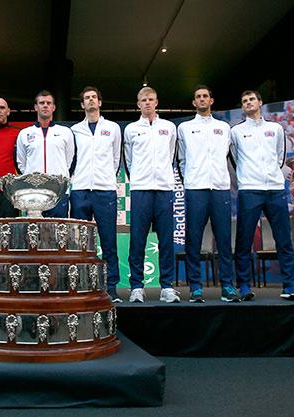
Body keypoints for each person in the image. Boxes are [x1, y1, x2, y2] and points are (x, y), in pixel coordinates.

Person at [231, 90, 294, 301]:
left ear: (260, 102)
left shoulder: (275, 128)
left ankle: (290, 286)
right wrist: (248, 177)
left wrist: (272, 176)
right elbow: (235, 159)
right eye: (244, 101)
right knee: (244, 241)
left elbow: (280, 157)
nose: (248, 103)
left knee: (283, 240)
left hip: (275, 189)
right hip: (249, 189)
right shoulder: (236, 131)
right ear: (242, 106)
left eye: (251, 99)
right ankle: (244, 286)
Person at [177, 85, 238, 303]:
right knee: (193, 239)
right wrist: (191, 179)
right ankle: (195, 288)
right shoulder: (184, 127)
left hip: (220, 188)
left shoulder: (224, 127)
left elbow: (230, 157)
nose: (202, 99)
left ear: (211, 100)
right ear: (194, 103)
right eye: (198, 97)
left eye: (205, 96)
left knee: (223, 239)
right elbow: (181, 159)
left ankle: (228, 287)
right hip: (196, 188)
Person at [124, 87, 179, 303]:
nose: (147, 103)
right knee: (137, 240)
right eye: (143, 100)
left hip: (164, 189)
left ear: (157, 102)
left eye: (151, 99)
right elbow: (128, 161)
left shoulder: (169, 127)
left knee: (166, 240)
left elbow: (172, 155)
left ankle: (167, 286)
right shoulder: (130, 129)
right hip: (140, 190)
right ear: (138, 104)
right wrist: (138, 178)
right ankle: (136, 286)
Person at [70, 86, 123, 303]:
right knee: (80, 244)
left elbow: (116, 159)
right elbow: (70, 160)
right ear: (82, 105)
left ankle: (111, 287)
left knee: (109, 241)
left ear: (99, 102)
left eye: (94, 98)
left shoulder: (113, 128)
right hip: (80, 190)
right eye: (86, 99)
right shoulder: (74, 130)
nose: (91, 101)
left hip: (105, 191)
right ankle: (82, 286)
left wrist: (105, 178)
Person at [16, 90, 75, 217]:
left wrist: (60, 175)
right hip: (33, 192)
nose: (45, 105)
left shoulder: (65, 132)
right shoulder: (24, 133)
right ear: (36, 107)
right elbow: (21, 162)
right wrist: (31, 178)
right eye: (41, 103)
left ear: (53, 107)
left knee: (58, 232)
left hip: (58, 190)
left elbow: (70, 160)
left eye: (48, 103)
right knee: (34, 233)